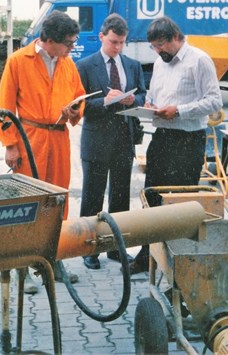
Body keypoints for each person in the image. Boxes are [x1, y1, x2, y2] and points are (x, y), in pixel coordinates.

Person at [0, 11, 85, 293]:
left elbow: (80, 96)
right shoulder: (18, 61)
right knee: (28, 203)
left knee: (58, 202)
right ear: (49, 40)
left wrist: (75, 110)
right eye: (68, 43)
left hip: (59, 139)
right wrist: (10, 144)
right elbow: (4, 107)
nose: (72, 48)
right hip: (29, 139)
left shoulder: (67, 63)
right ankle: (23, 267)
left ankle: (53, 259)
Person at [129, 16, 223, 274]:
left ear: (175, 38)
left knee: (180, 203)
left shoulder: (199, 60)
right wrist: (149, 106)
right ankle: (146, 256)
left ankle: (178, 259)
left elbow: (214, 101)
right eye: (154, 47)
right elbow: (154, 95)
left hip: (188, 141)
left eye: (161, 45)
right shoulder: (161, 63)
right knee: (151, 196)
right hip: (161, 138)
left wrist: (179, 111)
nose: (158, 52)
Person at [75, 14, 146, 270]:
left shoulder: (132, 65)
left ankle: (116, 248)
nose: (117, 47)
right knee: (92, 197)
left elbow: (143, 95)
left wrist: (132, 101)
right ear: (102, 37)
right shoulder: (84, 66)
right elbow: (78, 105)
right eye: (113, 42)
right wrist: (105, 102)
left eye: (122, 43)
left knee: (120, 197)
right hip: (96, 140)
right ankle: (89, 249)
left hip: (123, 141)